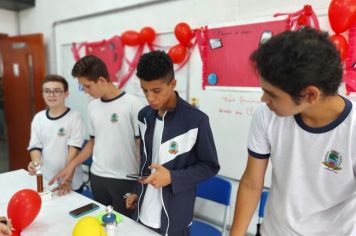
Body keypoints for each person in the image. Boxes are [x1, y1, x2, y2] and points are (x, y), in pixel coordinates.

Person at [230, 27, 356, 236]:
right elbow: (252, 183)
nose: (264, 100)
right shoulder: (266, 115)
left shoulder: (351, 130)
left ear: (310, 94)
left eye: (271, 94)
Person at [125, 50, 220, 236]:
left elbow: (210, 166)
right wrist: (137, 191)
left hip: (175, 217)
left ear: (173, 84)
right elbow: (146, 162)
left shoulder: (196, 120)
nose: (150, 97)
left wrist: (172, 178)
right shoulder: (144, 116)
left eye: (156, 90)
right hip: (143, 210)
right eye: (145, 90)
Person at [49, 55, 143, 217]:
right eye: (82, 86)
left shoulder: (133, 105)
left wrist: (142, 183)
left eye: (87, 86)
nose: (85, 91)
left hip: (125, 179)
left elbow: (141, 147)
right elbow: (93, 142)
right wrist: (71, 165)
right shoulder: (92, 106)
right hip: (98, 177)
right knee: (101, 223)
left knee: (127, 228)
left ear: (101, 80)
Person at [27, 74, 85, 195]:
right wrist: (36, 163)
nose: (51, 95)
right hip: (47, 179)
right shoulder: (39, 118)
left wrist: (67, 180)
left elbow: (73, 151)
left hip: (70, 183)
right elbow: (35, 147)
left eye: (57, 91)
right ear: (43, 94)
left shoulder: (75, 117)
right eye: (47, 91)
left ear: (66, 94)